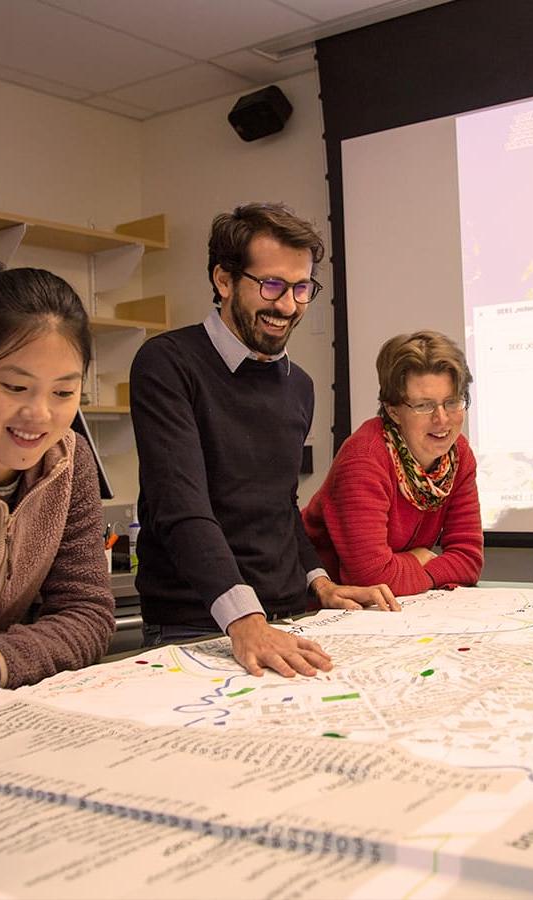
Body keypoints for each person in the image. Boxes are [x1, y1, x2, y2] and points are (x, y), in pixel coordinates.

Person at [129, 203, 398, 680]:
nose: (288, 306)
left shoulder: (299, 386)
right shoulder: (167, 364)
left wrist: (320, 583)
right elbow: (181, 507)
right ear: (224, 280)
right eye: (271, 285)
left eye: (301, 288)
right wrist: (245, 619)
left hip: (288, 617)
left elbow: (280, 506)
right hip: (198, 626)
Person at [0, 259, 116, 706]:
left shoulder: (70, 464)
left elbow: (88, 614)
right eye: (16, 388)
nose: (40, 415)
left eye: (62, 392)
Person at [303, 331, 483, 595]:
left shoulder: (458, 455)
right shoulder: (363, 459)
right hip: (317, 607)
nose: (442, 419)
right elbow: (370, 578)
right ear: (393, 410)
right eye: (424, 405)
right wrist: (418, 558)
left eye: (452, 402)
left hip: (393, 609)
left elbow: (468, 560)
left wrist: (416, 568)